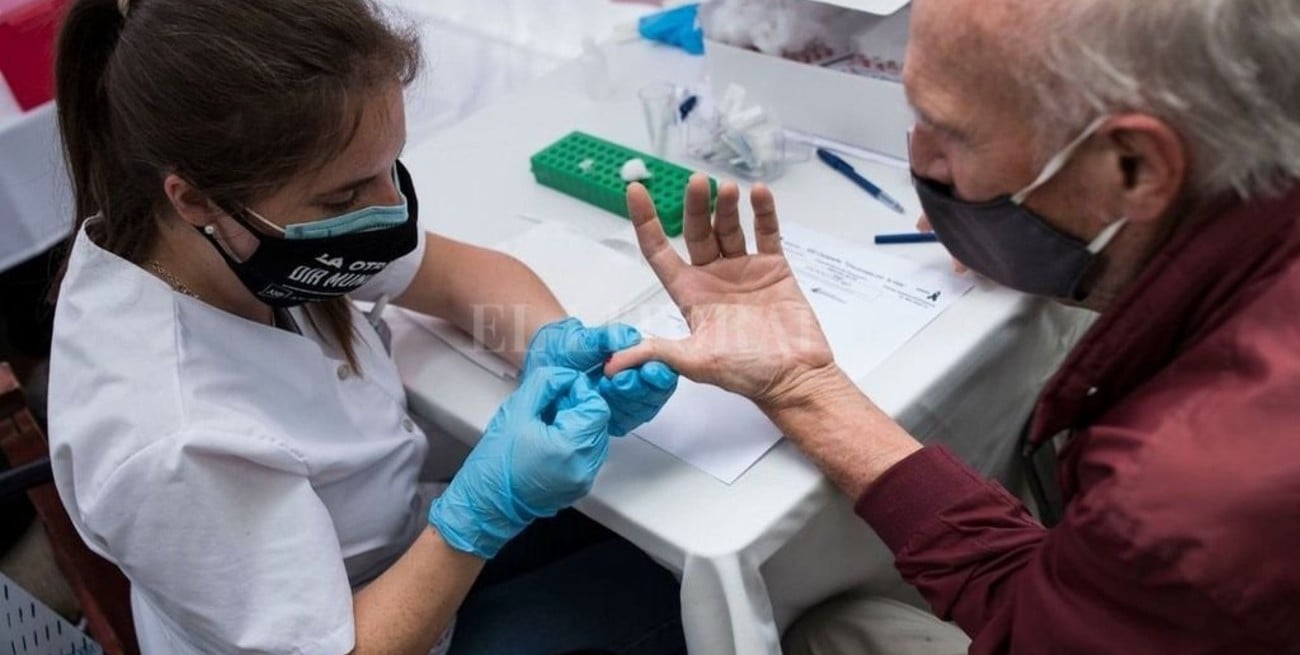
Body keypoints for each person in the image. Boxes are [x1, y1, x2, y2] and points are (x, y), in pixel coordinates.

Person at [605, 0, 1300, 653]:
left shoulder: (1180, 495)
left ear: (1133, 167)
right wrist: (803, 385)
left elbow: (1035, 620)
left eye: (951, 133)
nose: (921, 162)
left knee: (825, 628)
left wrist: (805, 391)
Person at [46, 1, 685, 654]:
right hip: (369, 629)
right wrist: (484, 509)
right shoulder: (168, 442)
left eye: (392, 164)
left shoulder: (240, 236)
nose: (389, 207)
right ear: (195, 199)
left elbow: (458, 278)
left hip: (406, 541)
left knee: (649, 534)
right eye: (345, 196)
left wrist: (552, 349)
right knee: (666, 604)